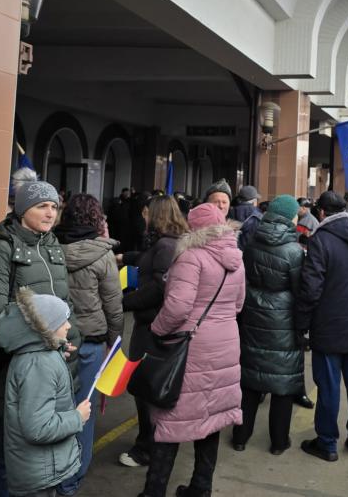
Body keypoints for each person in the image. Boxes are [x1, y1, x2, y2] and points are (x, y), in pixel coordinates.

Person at [0, 180, 81, 497]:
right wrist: (49, 342)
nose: (50, 212)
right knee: (3, 462)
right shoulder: (2, 249)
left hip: (51, 365)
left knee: (40, 462)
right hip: (12, 372)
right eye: (41, 206)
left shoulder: (52, 246)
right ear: (22, 209)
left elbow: (64, 303)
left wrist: (67, 337)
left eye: (54, 206)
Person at [139, 203, 245, 497]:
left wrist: (156, 331)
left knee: (171, 418)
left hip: (192, 346)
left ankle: (153, 491)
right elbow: (238, 304)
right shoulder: (237, 259)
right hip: (225, 343)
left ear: (193, 227)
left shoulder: (191, 257)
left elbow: (177, 308)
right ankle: (201, 488)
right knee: (211, 418)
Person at [296, 191, 348, 462]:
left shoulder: (320, 240)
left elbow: (311, 289)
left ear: (321, 213)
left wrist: (302, 325)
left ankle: (328, 443)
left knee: (328, 386)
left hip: (329, 326)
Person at [55, 194, 123, 494]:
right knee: (84, 410)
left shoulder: (48, 248)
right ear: (97, 219)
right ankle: (72, 480)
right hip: (91, 344)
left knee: (54, 409)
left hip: (55, 341)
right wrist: (114, 341)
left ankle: (50, 474)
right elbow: (113, 305)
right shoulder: (102, 254)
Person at [0, 289, 91, 497]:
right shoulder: (39, 364)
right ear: (46, 328)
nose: (68, 326)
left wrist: (56, 351)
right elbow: (38, 428)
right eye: (63, 321)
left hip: (38, 468)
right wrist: (77, 418)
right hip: (39, 475)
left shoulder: (37, 354)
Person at [118, 195, 189, 469]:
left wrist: (124, 302)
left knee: (146, 388)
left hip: (152, 327)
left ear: (156, 215)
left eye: (146, 213)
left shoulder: (165, 246)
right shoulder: (168, 243)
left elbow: (159, 286)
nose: (143, 217)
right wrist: (128, 256)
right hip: (152, 325)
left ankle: (146, 448)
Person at [233, 195, 305, 455]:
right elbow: (301, 292)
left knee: (250, 380)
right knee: (283, 385)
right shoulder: (294, 251)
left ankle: (240, 437)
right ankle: (278, 442)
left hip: (253, 313)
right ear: (290, 216)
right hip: (283, 320)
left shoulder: (252, 242)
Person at [233, 185, 263, 251]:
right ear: (254, 200)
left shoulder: (230, 211)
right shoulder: (257, 215)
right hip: (250, 253)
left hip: (233, 252)